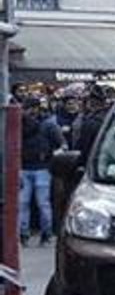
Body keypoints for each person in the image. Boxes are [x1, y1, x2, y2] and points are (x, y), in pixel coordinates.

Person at [19, 95, 66, 246]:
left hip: (28, 167)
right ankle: (44, 234)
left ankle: (25, 234)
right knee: (42, 203)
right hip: (41, 168)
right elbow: (61, 144)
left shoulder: (21, 124)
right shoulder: (48, 124)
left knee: (25, 203)